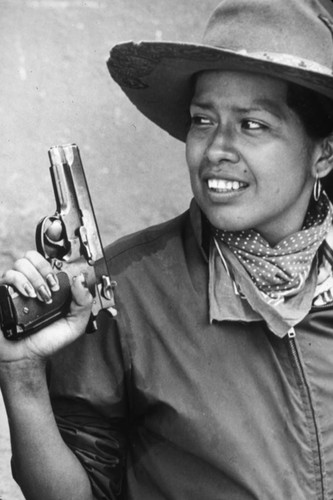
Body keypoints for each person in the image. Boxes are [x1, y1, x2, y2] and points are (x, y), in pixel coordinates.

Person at [1, 0, 333, 498]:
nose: (216, 148)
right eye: (203, 120)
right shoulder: (125, 290)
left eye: (253, 125)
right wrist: (20, 375)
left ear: (323, 152)